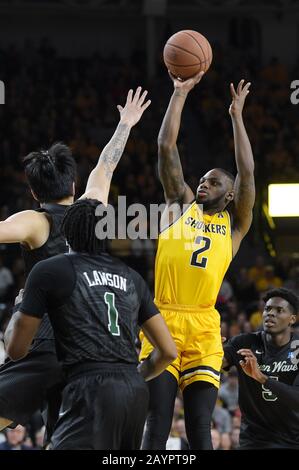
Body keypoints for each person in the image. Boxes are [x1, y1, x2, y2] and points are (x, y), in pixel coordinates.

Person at [0, 86, 151, 438]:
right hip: (92, 348)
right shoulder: (91, 207)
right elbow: (106, 163)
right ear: (74, 183)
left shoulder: (35, 221)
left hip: (49, 340)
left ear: (35, 193)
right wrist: (126, 123)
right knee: (60, 438)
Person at [5, 198, 177, 450]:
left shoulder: (49, 270)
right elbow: (168, 352)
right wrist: (131, 376)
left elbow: (15, 350)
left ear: (66, 234)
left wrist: (19, 308)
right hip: (135, 392)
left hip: (91, 389)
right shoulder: (133, 277)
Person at [140, 73, 255, 449]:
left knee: (200, 429)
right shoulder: (179, 205)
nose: (203, 184)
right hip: (163, 319)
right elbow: (165, 144)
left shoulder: (235, 224)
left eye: (214, 182)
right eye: (202, 179)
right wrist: (178, 93)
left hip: (204, 326)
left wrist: (236, 117)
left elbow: (248, 171)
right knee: (156, 424)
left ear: (230, 193)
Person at [223, 287, 299, 449]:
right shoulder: (243, 343)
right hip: (253, 440)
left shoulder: (298, 348)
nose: (270, 313)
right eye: (267, 309)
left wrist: (262, 377)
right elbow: (213, 364)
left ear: (292, 319)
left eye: (279, 310)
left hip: (293, 440)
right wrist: (210, 347)